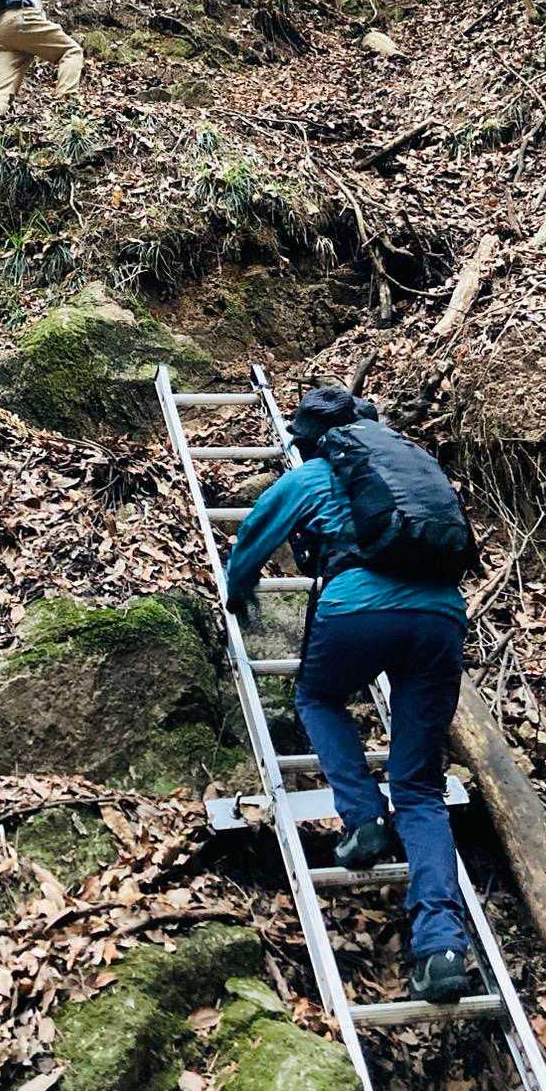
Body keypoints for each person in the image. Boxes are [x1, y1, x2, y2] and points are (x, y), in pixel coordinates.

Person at [224, 385, 470, 1005]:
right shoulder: (410, 472)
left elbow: (253, 534)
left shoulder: (313, 475)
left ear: (310, 440)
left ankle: (362, 819)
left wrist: (237, 590)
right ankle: (442, 950)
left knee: (318, 698)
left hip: (356, 608)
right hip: (441, 617)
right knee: (421, 789)